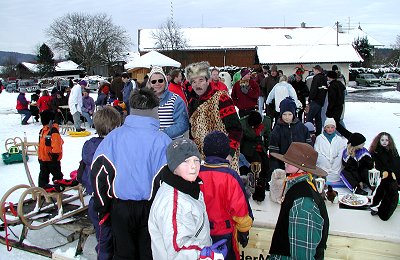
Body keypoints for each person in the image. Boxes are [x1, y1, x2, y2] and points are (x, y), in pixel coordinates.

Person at [91, 88, 171, 259]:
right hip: (151, 207)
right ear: (155, 111)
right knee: (149, 253)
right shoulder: (163, 140)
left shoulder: (114, 137)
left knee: (123, 254)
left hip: (120, 207)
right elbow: (170, 178)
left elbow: (99, 174)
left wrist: (103, 206)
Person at [149, 138, 228, 260]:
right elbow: (178, 249)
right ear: (174, 166)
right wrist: (206, 254)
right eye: (185, 161)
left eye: (196, 160)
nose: (193, 166)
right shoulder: (173, 202)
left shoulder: (189, 187)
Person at [269, 142, 329, 260]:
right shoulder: (301, 185)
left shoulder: (303, 203)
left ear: (302, 166)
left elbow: (302, 255)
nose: (285, 162)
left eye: (290, 161)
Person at [199, 131, 253, 259]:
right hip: (224, 233)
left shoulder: (196, 172)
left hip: (200, 231)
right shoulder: (230, 176)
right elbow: (240, 209)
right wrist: (244, 230)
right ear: (226, 152)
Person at [77, 107, 121, 260]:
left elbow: (82, 170)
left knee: (104, 235)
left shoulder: (89, 145)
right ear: (116, 127)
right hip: (107, 202)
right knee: (105, 240)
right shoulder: (113, 147)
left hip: (96, 201)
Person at [186, 61, 243, 173]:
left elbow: (236, 129)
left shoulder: (221, 98)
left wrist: (229, 154)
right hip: (201, 159)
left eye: (201, 80)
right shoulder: (192, 103)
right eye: (194, 81)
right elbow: (192, 132)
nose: (197, 85)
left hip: (223, 157)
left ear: (208, 80)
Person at [269, 97, 312, 172]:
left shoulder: (302, 128)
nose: (287, 117)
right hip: (283, 166)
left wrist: (306, 164)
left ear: (294, 114)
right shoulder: (277, 129)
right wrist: (276, 169)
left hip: (300, 167)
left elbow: (308, 147)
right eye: (284, 114)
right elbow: (273, 152)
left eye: (289, 114)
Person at [147, 66, 189, 139]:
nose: (157, 84)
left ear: (165, 81)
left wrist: (160, 134)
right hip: (151, 146)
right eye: (154, 81)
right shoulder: (145, 101)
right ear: (150, 84)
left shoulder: (176, 100)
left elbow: (182, 124)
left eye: (160, 80)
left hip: (172, 146)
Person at [240, 111, 271, 201]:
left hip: (260, 146)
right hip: (248, 147)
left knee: (265, 163)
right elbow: (240, 140)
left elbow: (268, 135)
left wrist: (266, 146)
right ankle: (253, 184)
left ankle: (263, 182)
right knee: (255, 163)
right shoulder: (242, 123)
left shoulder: (266, 122)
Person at [314, 118, 347, 185]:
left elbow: (340, 153)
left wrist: (335, 165)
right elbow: (317, 152)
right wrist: (326, 163)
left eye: (332, 127)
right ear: (325, 128)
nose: (330, 129)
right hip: (323, 165)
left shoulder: (339, 139)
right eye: (328, 127)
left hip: (336, 168)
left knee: (336, 173)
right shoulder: (319, 138)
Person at [38, 110, 64, 192]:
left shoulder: (53, 131)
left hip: (52, 159)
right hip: (43, 159)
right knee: (43, 176)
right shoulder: (43, 130)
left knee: (57, 176)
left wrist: (55, 156)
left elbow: (56, 145)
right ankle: (42, 190)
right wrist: (40, 157)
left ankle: (59, 189)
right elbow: (40, 145)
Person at [326, 70, 352, 139]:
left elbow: (332, 99)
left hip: (334, 108)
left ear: (330, 77)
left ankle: (347, 135)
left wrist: (329, 110)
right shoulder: (339, 84)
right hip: (340, 106)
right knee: (337, 122)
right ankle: (347, 135)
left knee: (335, 123)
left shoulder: (332, 86)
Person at [306, 65, 328, 136]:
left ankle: (309, 132)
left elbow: (314, 89)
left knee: (310, 117)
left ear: (317, 70)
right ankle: (318, 133)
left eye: (314, 70)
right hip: (321, 101)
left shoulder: (316, 78)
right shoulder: (324, 78)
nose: (313, 72)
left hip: (315, 100)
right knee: (318, 118)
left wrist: (310, 98)